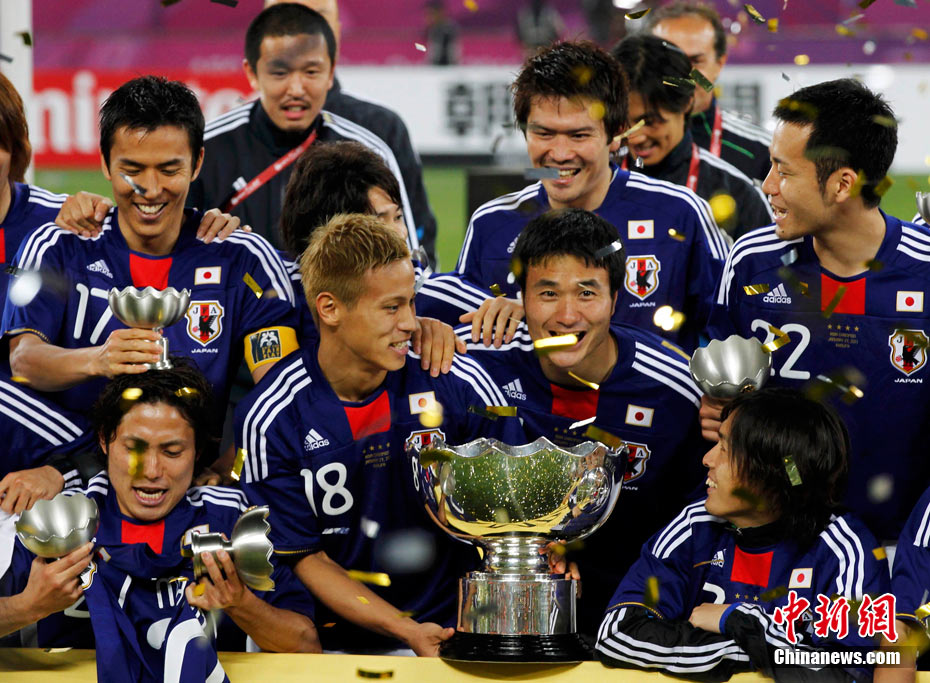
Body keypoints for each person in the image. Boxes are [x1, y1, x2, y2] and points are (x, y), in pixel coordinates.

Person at [235, 213, 525, 655]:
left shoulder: (457, 381)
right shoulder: (270, 418)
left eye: (412, 303)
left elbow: (514, 505)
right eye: (391, 307)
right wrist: (404, 630)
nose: (410, 323)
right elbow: (306, 558)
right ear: (329, 308)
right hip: (326, 644)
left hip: (449, 632)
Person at [1, 76, 298, 449]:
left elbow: (281, 387)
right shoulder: (58, 245)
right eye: (133, 170)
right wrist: (99, 360)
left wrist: (230, 463)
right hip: (76, 473)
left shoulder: (242, 259)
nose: (151, 189)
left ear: (197, 162)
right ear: (106, 163)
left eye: (169, 170)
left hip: (192, 484)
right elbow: (24, 361)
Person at [456, 208, 706, 636]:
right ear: (522, 299)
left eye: (587, 294)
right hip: (490, 611)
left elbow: (696, 525)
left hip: (630, 618)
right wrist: (425, 330)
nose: (568, 316)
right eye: (548, 294)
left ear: (616, 299)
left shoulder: (677, 389)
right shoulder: (473, 365)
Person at [704, 78, 930, 543]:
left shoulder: (925, 271)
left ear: (843, 183)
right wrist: (717, 410)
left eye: (784, 172)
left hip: (903, 554)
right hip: (780, 552)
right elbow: (718, 386)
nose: (767, 186)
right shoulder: (750, 263)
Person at [0, 361, 319, 680]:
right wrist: (28, 605)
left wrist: (241, 603)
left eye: (172, 451)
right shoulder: (56, 521)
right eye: (134, 449)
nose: (151, 470)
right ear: (104, 442)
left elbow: (306, 643)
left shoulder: (229, 520)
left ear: (197, 452)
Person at [597, 387, 890, 680]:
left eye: (725, 449)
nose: (707, 459)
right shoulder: (696, 525)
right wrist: (739, 650)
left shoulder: (844, 548)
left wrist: (739, 619)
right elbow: (617, 633)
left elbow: (846, 674)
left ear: (773, 470)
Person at [456, 40, 729, 352]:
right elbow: (461, 341)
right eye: (543, 133)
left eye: (579, 135)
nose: (559, 154)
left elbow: (729, 330)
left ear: (616, 135)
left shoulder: (681, 213)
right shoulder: (491, 224)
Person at [190, 4, 422, 260]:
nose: (297, 89)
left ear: (331, 72)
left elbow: (408, 261)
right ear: (252, 73)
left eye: (311, 72)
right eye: (280, 73)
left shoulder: (371, 151)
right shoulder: (205, 150)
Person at [280, 140, 516, 338]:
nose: (401, 233)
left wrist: (522, 310)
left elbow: (530, 331)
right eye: (380, 220)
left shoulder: (432, 296)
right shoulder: (278, 293)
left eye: (399, 217)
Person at [264, 0, 439, 264]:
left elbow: (418, 242)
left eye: (319, 18)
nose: (304, 33)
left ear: (337, 28)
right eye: (288, 18)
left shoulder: (381, 129)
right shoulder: (221, 143)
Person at [612, 35, 772, 238]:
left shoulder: (737, 193)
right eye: (625, 123)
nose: (636, 137)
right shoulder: (596, 182)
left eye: (650, 122)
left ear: (686, 102)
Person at [647, 1, 772, 183]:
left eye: (696, 61)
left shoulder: (763, 151)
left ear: (719, 64)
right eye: (670, 60)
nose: (684, 74)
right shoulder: (620, 146)